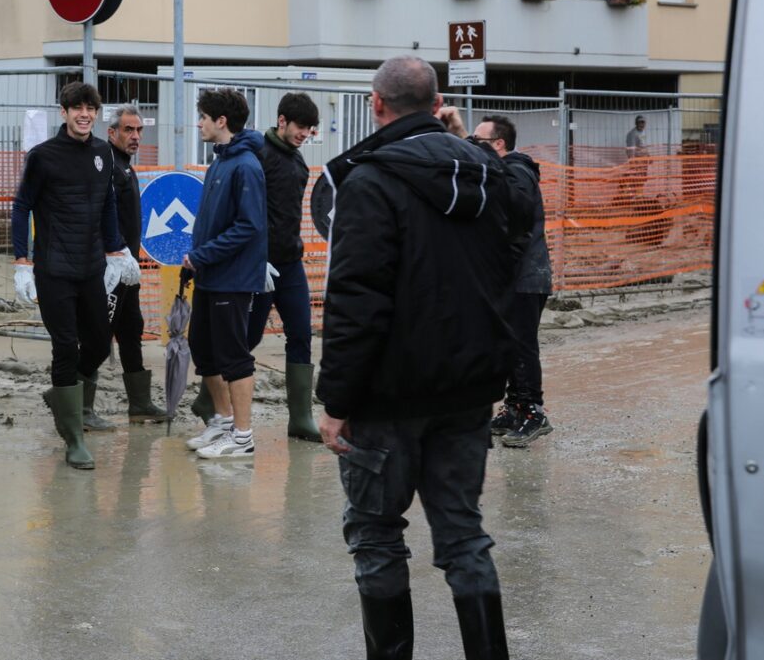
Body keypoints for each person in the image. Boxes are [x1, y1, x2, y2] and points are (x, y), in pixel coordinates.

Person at [316, 57, 515, 659]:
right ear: (437, 105)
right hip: (467, 390)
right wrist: (460, 141)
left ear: (376, 105)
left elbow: (356, 301)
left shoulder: (370, 181)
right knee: (464, 537)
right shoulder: (486, 175)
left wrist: (336, 402)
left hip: (388, 397)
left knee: (376, 536)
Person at [11, 82, 138, 470]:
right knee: (66, 347)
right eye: (77, 108)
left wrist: (118, 249)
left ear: (97, 114)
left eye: (90, 108)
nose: (85, 114)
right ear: (63, 112)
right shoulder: (43, 157)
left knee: (99, 343)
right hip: (54, 271)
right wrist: (21, 261)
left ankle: (62, 395)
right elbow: (22, 207)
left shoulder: (102, 152)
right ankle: (73, 437)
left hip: (92, 269)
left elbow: (108, 205)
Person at [182, 88, 267, 460]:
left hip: (232, 277)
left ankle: (243, 436)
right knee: (204, 348)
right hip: (210, 274)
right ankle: (222, 421)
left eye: (203, 116)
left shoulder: (246, 164)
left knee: (234, 356)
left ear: (221, 121)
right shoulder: (220, 161)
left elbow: (249, 226)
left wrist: (202, 254)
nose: (198, 123)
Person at [473, 115, 555, 448]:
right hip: (514, 277)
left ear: (499, 145)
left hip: (526, 278)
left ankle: (533, 412)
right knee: (509, 345)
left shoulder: (518, 172)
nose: (473, 146)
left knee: (522, 346)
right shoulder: (506, 172)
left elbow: (517, 226)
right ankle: (513, 407)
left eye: (478, 141)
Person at [245, 92, 320, 442]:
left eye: (309, 128)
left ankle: (300, 419)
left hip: (290, 264)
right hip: (260, 265)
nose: (305, 133)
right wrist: (253, 258)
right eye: (300, 126)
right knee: (248, 336)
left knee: (301, 334)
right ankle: (211, 401)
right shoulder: (259, 155)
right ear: (282, 121)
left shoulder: (298, 161)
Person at [97, 105, 166, 428]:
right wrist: (113, 256)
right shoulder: (109, 166)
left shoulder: (125, 166)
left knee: (132, 328)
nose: (135, 136)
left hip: (129, 270)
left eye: (138, 130)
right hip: (111, 269)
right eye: (128, 130)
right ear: (112, 133)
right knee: (98, 336)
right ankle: (79, 408)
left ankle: (139, 404)